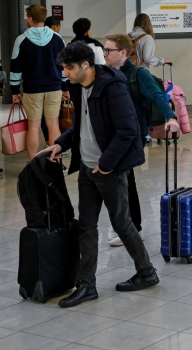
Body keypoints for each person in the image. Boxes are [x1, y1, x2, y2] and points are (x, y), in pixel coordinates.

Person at [40, 42, 157, 308]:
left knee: (122, 224)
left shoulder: (112, 87)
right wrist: (61, 143)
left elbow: (127, 130)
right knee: (87, 227)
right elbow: (82, 125)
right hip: (87, 168)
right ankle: (87, 286)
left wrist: (106, 164)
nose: (65, 73)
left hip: (108, 169)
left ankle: (147, 272)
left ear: (85, 65)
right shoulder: (78, 86)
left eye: (68, 68)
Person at [103, 34, 178, 246]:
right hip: (113, 135)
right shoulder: (108, 73)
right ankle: (128, 224)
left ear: (123, 53)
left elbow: (157, 95)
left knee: (124, 177)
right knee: (125, 179)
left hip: (131, 135)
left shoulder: (138, 74)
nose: (105, 54)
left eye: (109, 50)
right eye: (105, 50)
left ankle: (131, 226)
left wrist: (171, 117)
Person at [10, 4, 68, 158]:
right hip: (54, 88)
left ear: (30, 19)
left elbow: (16, 67)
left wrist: (15, 90)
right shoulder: (57, 39)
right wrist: (65, 86)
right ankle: (55, 160)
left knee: (33, 126)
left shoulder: (21, 40)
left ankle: (33, 165)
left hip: (32, 89)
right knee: (53, 124)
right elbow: (64, 66)